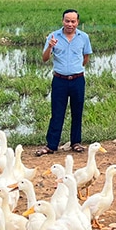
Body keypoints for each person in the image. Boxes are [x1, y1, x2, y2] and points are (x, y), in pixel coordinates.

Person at [38, 8, 92, 156]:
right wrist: (50, 46)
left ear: (77, 22)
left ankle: (76, 142)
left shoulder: (83, 37)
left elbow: (86, 57)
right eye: (67, 21)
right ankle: (51, 145)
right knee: (57, 112)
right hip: (59, 80)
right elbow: (44, 58)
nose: (70, 24)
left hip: (77, 80)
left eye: (73, 21)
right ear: (63, 21)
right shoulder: (53, 36)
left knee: (77, 111)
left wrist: (76, 69)